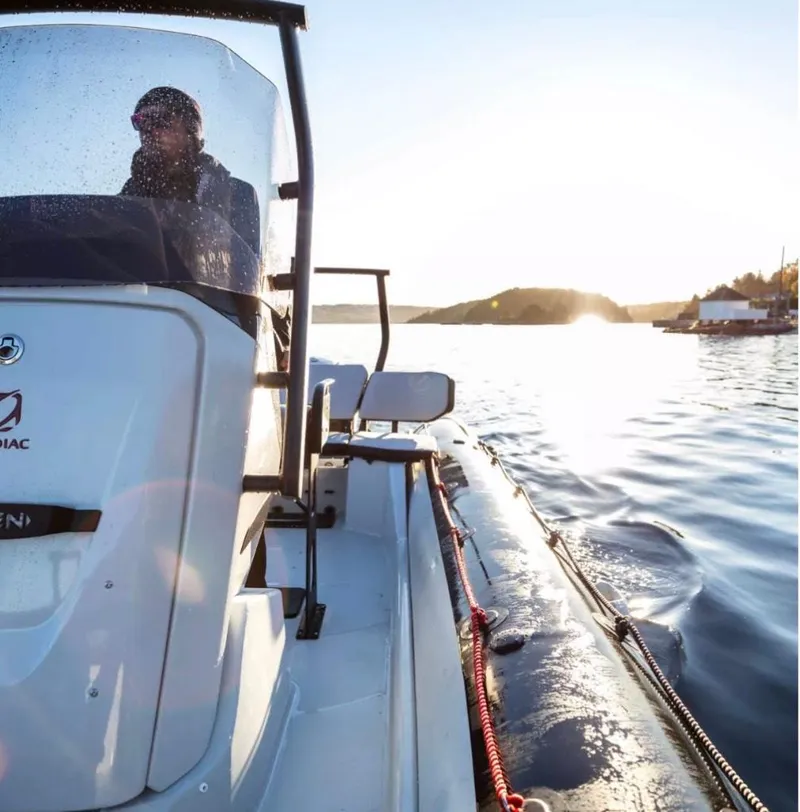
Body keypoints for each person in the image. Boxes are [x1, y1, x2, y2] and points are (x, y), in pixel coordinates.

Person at [121, 86, 260, 255]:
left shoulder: (236, 193)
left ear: (190, 129)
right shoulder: (130, 193)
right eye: (141, 121)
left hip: (201, 282)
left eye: (159, 120)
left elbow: (245, 271)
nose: (149, 130)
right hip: (136, 282)